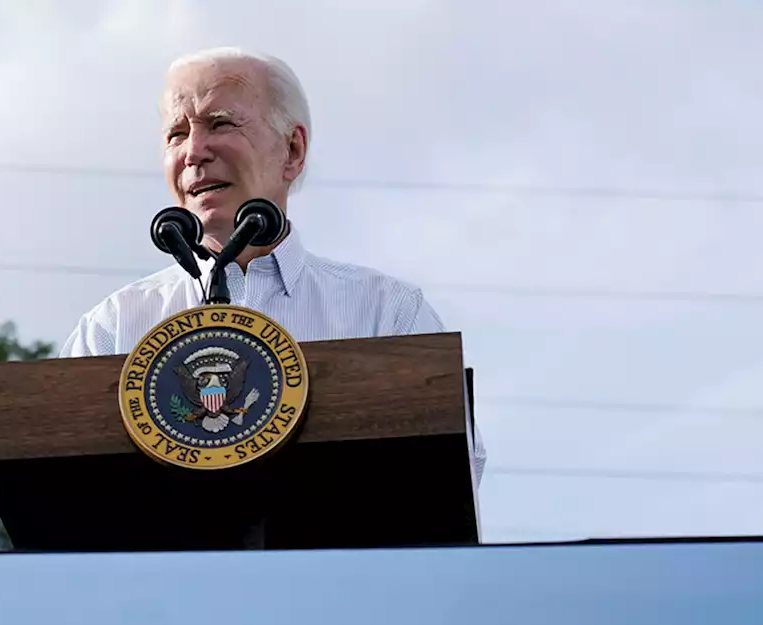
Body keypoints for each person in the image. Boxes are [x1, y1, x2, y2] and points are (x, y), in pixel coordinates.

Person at [59, 46, 486, 482]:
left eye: (220, 123)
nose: (194, 152)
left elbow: (458, 469)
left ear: (293, 150)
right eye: (176, 134)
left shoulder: (387, 314)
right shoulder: (111, 329)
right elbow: (60, 473)